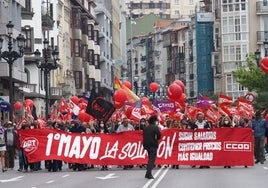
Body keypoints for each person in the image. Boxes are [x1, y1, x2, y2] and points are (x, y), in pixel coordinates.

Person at [143, 115, 161, 179]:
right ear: (154, 121)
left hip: (146, 145)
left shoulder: (146, 128)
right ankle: (148, 173)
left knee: (150, 158)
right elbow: (159, 136)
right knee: (151, 160)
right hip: (153, 145)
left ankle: (148, 173)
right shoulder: (155, 127)